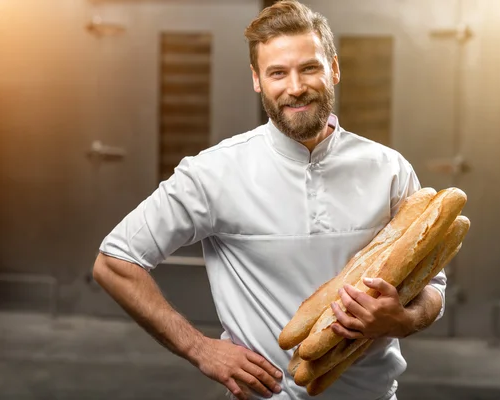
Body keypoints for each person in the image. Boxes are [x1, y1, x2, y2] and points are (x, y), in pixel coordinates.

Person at [92, 1, 446, 399]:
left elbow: (432, 280)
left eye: (309, 68)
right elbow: (114, 261)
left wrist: (404, 318)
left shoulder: (390, 170)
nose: (295, 87)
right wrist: (200, 348)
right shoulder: (215, 172)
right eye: (278, 72)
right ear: (257, 79)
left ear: (334, 69)